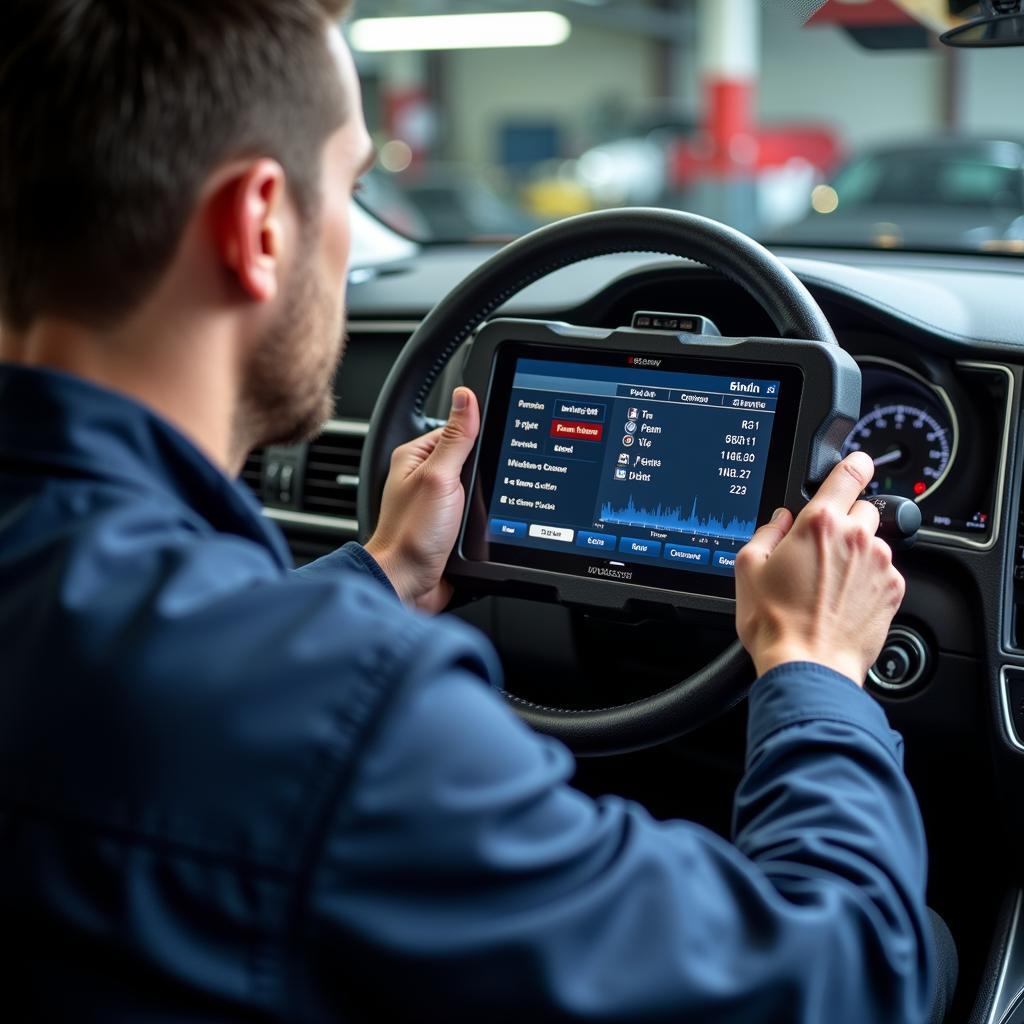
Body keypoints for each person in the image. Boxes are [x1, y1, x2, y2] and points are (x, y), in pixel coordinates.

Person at [0, 2, 954, 1021]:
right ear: (261, 225)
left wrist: (374, 577)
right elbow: (847, 975)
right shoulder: (344, 720)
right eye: (354, 187)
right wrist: (814, 668)